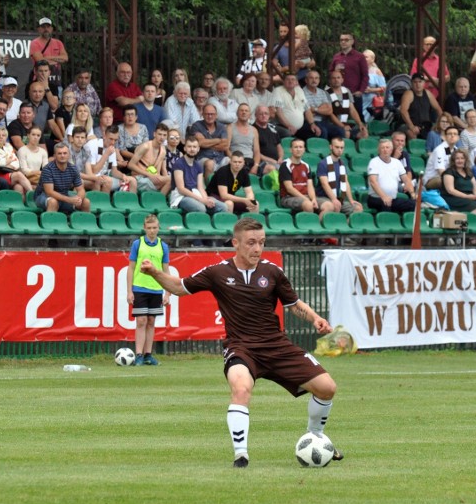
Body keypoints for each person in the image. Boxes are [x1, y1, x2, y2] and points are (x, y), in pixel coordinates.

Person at [139, 217, 342, 468]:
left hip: (276, 345)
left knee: (327, 387)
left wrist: (314, 318)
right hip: (241, 347)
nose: (257, 249)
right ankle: (241, 456)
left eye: (262, 242)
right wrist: (155, 272)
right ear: (236, 243)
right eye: (251, 243)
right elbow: (179, 287)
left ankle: (316, 437)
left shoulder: (272, 272)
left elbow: (293, 304)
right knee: (241, 388)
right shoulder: (218, 272)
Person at [126, 214, 171, 366]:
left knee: (151, 321)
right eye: (149, 228)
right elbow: (131, 268)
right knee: (141, 320)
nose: (152, 231)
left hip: (156, 289)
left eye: (154, 228)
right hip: (140, 287)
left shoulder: (163, 246)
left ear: (159, 228)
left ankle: (148, 354)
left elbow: (166, 271)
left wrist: (168, 291)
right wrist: (129, 290)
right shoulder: (137, 244)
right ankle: (138, 354)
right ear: (144, 228)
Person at [170, 137, 228, 214]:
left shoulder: (198, 165)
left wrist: (206, 199)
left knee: (223, 207)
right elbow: (181, 189)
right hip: (182, 197)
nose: (192, 149)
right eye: (189, 146)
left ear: (198, 149)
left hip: (196, 195)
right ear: (185, 148)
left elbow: (200, 187)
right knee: (201, 208)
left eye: (194, 147)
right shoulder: (179, 164)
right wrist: (202, 200)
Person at [278, 139, 331, 215]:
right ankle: (309, 226)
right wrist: (306, 199)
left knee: (328, 205)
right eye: (296, 147)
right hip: (288, 197)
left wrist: (313, 199)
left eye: (300, 147)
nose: (298, 149)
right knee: (308, 205)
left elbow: (310, 186)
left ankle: (318, 225)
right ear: (291, 150)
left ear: (304, 150)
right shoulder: (285, 165)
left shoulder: (306, 166)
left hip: (305, 197)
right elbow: (289, 189)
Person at [35, 142, 91, 214]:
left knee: (86, 202)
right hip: (43, 196)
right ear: (55, 156)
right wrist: (69, 200)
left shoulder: (73, 168)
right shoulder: (48, 169)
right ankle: (49, 224)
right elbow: (49, 192)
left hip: (64, 195)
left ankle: (84, 225)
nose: (62, 156)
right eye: (59, 153)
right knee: (53, 202)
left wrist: (78, 199)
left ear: (69, 155)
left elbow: (81, 190)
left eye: (65, 153)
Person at [315, 137, 362, 217]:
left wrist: (351, 200)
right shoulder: (323, 163)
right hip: (322, 198)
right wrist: (334, 199)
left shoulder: (342, 164)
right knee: (330, 206)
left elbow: (346, 182)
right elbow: (324, 183)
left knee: (358, 208)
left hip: (337, 198)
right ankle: (318, 227)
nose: (339, 150)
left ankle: (345, 228)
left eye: (341, 148)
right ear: (331, 147)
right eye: (337, 147)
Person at [367, 139, 417, 214]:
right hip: (376, 198)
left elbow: (406, 180)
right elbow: (373, 182)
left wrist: (412, 193)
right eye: (382, 148)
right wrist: (384, 197)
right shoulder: (374, 162)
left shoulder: (396, 162)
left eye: (387, 147)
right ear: (379, 150)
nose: (385, 150)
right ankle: (388, 225)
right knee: (386, 204)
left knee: (413, 204)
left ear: (391, 150)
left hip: (392, 199)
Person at [440, 149, 476, 217]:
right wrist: (466, 196)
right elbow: (450, 190)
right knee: (475, 208)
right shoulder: (449, 172)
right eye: (457, 158)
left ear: (465, 160)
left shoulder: (469, 173)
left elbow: (475, 189)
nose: (460, 160)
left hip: (469, 197)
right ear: (453, 160)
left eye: (462, 158)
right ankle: (470, 225)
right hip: (453, 198)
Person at [207, 150, 259, 215]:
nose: (237, 164)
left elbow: (249, 192)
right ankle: (229, 224)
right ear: (230, 162)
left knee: (255, 204)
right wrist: (244, 200)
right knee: (229, 203)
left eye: (240, 162)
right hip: (214, 197)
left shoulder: (244, 172)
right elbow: (224, 195)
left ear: (243, 163)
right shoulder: (223, 171)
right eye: (235, 162)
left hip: (230, 197)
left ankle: (253, 224)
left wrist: (250, 200)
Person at [0, 127, 33, 199]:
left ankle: (20, 207)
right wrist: (7, 162)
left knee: (19, 187)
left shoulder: (8, 147)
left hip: (9, 173)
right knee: (19, 174)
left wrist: (6, 163)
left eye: (3, 136)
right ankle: (33, 194)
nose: (1, 137)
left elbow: (16, 163)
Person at [329, 32, 368, 110]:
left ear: (352, 41)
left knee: (358, 117)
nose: (343, 42)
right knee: (340, 116)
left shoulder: (359, 56)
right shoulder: (336, 56)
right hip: (339, 92)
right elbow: (330, 73)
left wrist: (361, 90)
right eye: (341, 40)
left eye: (346, 40)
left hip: (354, 93)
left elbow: (365, 75)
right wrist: (335, 71)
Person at [400, 73, 443, 140]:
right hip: (408, 125)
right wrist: (412, 127)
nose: (418, 84)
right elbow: (403, 111)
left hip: (425, 126)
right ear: (412, 83)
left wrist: (440, 124)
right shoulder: (408, 94)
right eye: (415, 82)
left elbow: (438, 109)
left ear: (424, 83)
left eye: (420, 82)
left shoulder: (428, 93)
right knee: (412, 135)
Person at [29, 17, 68, 84]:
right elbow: (41, 61)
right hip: (40, 81)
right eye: (43, 27)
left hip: (56, 80)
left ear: (51, 29)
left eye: (48, 27)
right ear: (39, 29)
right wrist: (57, 60)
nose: (46, 29)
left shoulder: (58, 43)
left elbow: (65, 58)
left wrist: (47, 58)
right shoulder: (34, 43)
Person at [410, 35, 450, 100]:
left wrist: (437, 81)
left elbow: (447, 77)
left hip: (437, 95)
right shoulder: (418, 60)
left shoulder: (440, 60)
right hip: (421, 95)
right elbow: (413, 76)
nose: (429, 46)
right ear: (423, 46)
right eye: (427, 44)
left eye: (431, 44)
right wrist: (432, 80)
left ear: (436, 46)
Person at [361, 50, 386, 123]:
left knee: (367, 120)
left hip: (371, 101)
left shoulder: (376, 71)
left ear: (372, 59)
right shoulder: (358, 70)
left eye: (366, 57)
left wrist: (371, 90)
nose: (363, 59)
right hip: (359, 99)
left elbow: (384, 88)